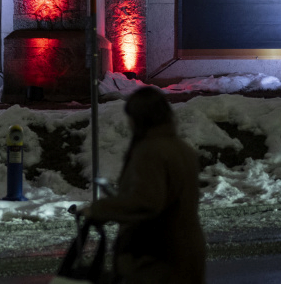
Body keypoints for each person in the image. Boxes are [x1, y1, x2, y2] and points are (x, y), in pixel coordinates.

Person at [82, 87, 206, 284]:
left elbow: (146, 202)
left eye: (131, 117)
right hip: (186, 251)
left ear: (140, 118)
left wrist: (99, 209)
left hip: (157, 256)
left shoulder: (150, 151)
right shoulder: (182, 149)